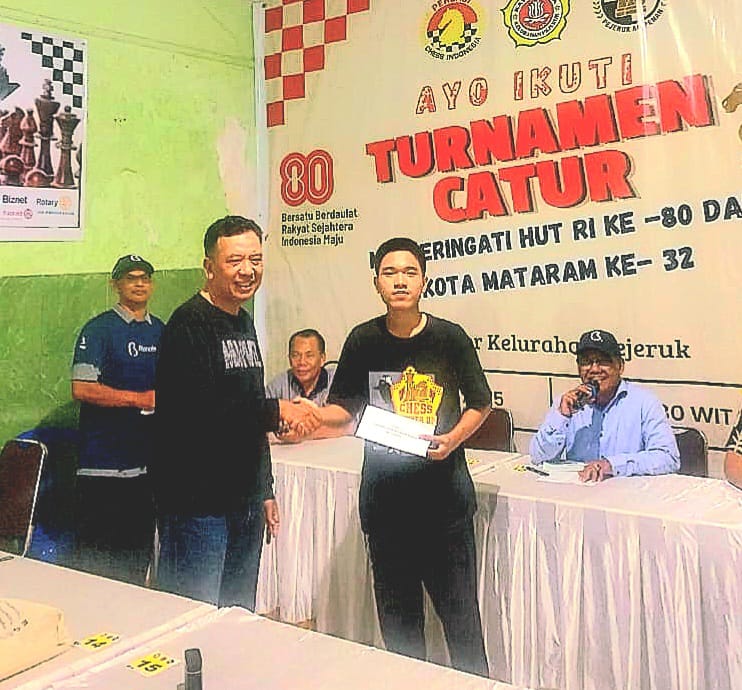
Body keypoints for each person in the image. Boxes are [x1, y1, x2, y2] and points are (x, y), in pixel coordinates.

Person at [317, 237, 492, 677]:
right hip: (385, 507)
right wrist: (310, 416)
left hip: (444, 505)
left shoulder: (449, 337)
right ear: (376, 282)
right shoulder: (362, 339)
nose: (400, 281)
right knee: (399, 627)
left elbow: (480, 402)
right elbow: (343, 409)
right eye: (390, 273)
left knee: (462, 622)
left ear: (424, 280)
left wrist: (452, 439)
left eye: (410, 272)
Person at [151, 215, 319, 610]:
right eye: (235, 261)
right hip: (198, 506)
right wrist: (278, 409)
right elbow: (201, 413)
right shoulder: (188, 324)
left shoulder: (243, 322)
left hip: (244, 502)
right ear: (209, 267)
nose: (248, 271)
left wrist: (265, 489)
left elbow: (249, 414)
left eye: (256, 260)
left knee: (237, 614)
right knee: (193, 615)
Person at [71, 254, 162, 585]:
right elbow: (82, 388)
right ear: (116, 285)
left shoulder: (161, 330)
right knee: (98, 568)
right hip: (103, 468)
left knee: (136, 563)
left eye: (144, 278)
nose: (139, 284)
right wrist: (139, 399)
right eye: (130, 278)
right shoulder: (99, 329)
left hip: (147, 470)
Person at [530, 328, 680, 482]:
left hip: (626, 492)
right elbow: (538, 457)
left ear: (620, 366)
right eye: (586, 362)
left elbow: (668, 458)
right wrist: (562, 417)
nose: (594, 369)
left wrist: (611, 465)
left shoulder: (644, 402)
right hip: (578, 489)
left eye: (603, 361)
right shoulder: (567, 403)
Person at [266, 328, 333, 404]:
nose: (302, 362)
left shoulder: (336, 382)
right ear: (289, 359)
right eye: (296, 355)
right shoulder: (278, 386)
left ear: (322, 359)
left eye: (309, 356)